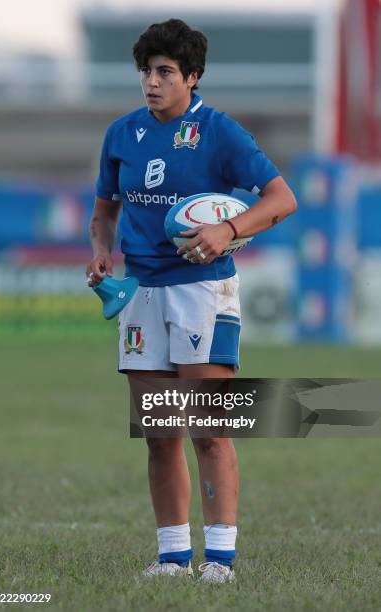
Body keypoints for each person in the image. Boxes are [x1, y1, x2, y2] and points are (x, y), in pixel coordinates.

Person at [86, 18, 297, 584]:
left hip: (203, 292)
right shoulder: (121, 134)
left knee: (208, 427)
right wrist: (102, 253)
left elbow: (282, 198)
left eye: (164, 72)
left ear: (192, 77)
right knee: (160, 434)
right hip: (141, 296)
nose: (151, 83)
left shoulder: (220, 133)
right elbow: (104, 211)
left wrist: (228, 231)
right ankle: (174, 558)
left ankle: (220, 561)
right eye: (145, 72)